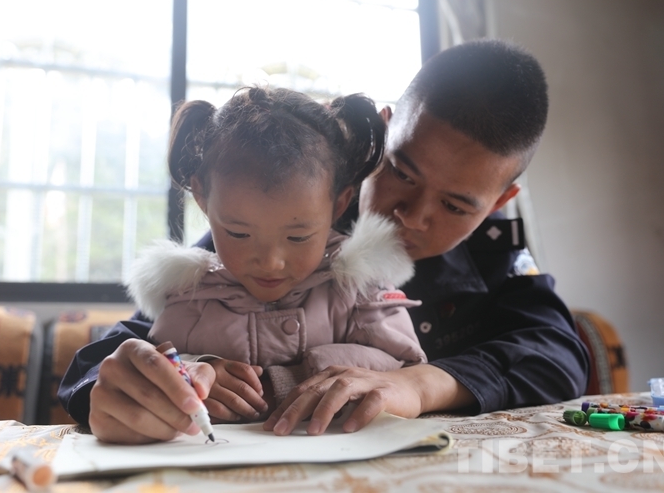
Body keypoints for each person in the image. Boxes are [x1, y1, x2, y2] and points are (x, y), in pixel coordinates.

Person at [59, 39, 590, 442]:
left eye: (455, 206)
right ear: (383, 132)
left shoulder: (493, 259)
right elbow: (109, 358)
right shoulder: (287, 228)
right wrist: (155, 379)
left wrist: (421, 384)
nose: (412, 216)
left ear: (499, 201)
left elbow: (559, 355)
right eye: (402, 172)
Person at [61, 86, 427, 443]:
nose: (270, 262)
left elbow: (407, 370)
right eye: (238, 233)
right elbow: (149, 362)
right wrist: (189, 372)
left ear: (339, 204)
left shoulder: (361, 290)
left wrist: (291, 378)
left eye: (298, 237)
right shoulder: (189, 296)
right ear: (202, 198)